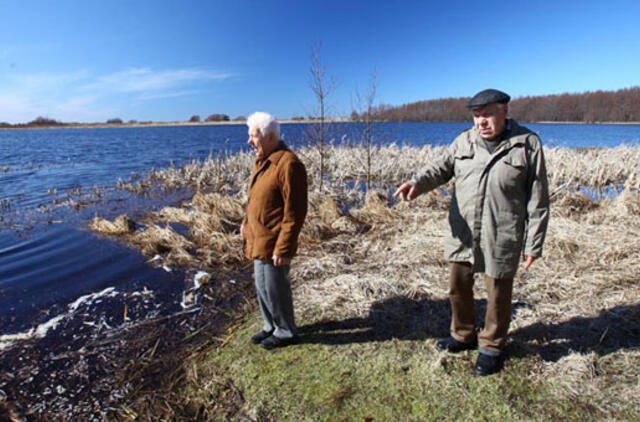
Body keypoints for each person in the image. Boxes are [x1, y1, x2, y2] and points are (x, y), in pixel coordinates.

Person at [394, 89, 549, 375]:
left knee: (498, 293)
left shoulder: (527, 144)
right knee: (458, 287)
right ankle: (463, 335)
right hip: (463, 231)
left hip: (502, 232)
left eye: (488, 114)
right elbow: (439, 168)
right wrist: (416, 184)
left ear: (505, 110)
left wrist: (533, 244)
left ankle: (492, 346)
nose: (481, 122)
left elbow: (538, 200)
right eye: (477, 116)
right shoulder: (463, 141)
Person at [241, 111, 308, 350]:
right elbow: (256, 199)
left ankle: (286, 331)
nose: (249, 141)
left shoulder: (289, 164)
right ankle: (270, 326)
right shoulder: (262, 160)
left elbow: (295, 212)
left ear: (269, 137)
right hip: (258, 237)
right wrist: (245, 224)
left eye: (253, 136)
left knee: (276, 288)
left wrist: (284, 246)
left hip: (274, 241)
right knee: (262, 286)